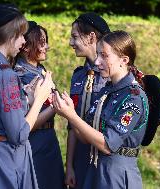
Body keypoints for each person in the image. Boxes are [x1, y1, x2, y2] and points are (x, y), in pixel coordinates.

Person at [0, 4, 54, 189]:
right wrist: (40, 98)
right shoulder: (5, 74)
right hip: (4, 162)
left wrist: (27, 98)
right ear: (10, 35)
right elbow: (19, 134)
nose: (23, 42)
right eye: (21, 35)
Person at [53, 30, 149, 189]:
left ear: (123, 60)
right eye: (97, 55)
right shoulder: (107, 91)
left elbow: (107, 145)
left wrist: (72, 116)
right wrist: (68, 112)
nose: (97, 62)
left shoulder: (133, 97)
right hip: (96, 171)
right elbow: (86, 137)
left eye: (104, 56)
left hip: (116, 174)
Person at [14, 21, 66, 189]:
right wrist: (56, 107)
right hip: (34, 143)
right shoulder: (20, 76)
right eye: (41, 42)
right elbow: (25, 125)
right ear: (26, 47)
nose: (46, 47)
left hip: (48, 140)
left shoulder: (40, 70)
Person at [65, 12, 110, 189]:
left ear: (91, 37)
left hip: (104, 158)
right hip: (81, 159)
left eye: (75, 37)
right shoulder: (78, 76)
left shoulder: (113, 76)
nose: (70, 43)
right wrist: (69, 166)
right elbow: (72, 125)